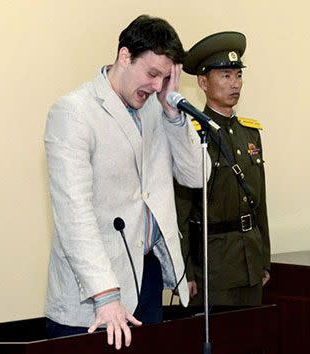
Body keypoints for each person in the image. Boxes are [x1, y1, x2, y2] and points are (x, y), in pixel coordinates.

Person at [44, 15, 210, 349]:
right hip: (93, 290)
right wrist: (106, 295)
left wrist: (174, 115)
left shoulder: (156, 107)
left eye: (165, 78)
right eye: (152, 74)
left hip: (146, 276)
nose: (156, 86)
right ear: (124, 56)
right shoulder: (74, 112)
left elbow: (196, 175)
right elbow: (74, 216)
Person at [174, 31, 270, 306]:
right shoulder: (191, 135)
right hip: (212, 267)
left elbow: (260, 203)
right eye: (225, 76)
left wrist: (264, 258)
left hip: (250, 261)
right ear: (203, 82)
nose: (235, 83)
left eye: (238, 75)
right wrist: (185, 271)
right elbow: (181, 210)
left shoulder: (250, 134)